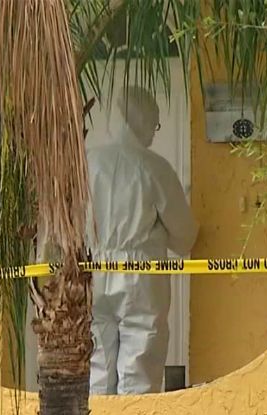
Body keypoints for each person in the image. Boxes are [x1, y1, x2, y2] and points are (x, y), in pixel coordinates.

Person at [87, 86, 198, 395]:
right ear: (143, 120)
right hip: (141, 278)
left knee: (97, 367)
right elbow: (185, 236)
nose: (154, 131)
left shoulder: (89, 162)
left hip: (91, 271)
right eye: (155, 122)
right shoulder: (155, 168)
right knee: (140, 369)